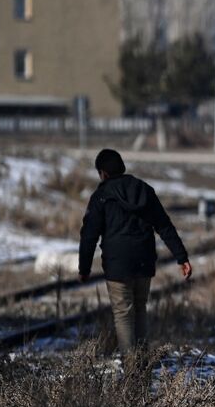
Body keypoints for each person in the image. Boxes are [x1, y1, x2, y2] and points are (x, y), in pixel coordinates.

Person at [78, 149, 192, 353]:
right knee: (140, 311)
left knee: (123, 315)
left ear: (103, 173)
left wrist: (84, 268)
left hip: (117, 265)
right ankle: (142, 372)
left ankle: (132, 375)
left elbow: (89, 235)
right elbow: (164, 226)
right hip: (143, 262)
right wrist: (181, 257)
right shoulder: (144, 190)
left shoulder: (101, 196)